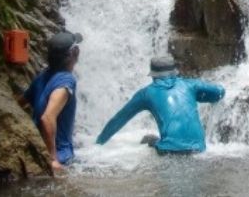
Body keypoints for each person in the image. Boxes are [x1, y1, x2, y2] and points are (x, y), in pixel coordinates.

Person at [96, 55, 224, 153]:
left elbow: (119, 119)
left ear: (153, 75)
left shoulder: (146, 93)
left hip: (170, 150)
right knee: (154, 139)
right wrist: (199, 96)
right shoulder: (190, 85)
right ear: (175, 72)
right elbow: (219, 92)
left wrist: (98, 143)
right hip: (199, 149)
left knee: (147, 139)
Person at [21, 31, 82, 172]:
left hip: (39, 153)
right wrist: (53, 159)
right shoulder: (67, 80)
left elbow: (19, 103)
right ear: (74, 53)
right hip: (62, 158)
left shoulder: (42, 77)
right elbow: (47, 118)